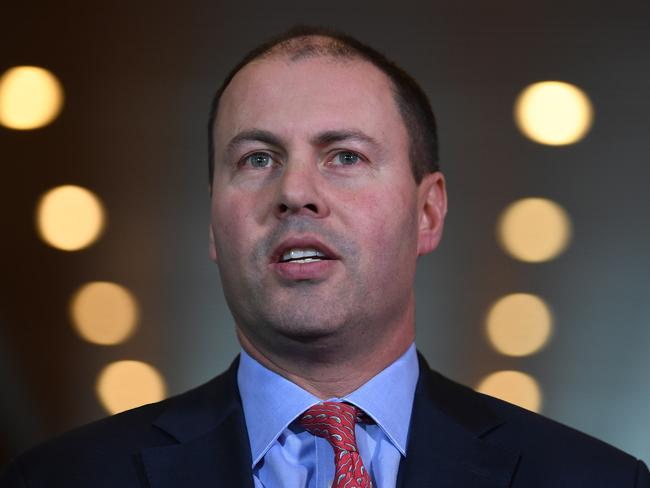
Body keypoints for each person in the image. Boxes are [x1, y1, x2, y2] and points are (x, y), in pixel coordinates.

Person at [1, 25, 648, 488]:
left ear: (428, 212)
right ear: (211, 224)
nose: (296, 193)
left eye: (345, 156)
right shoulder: (60, 478)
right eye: (257, 159)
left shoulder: (596, 480)